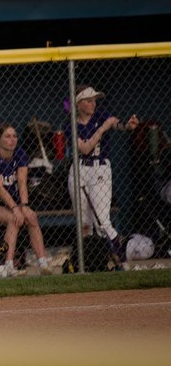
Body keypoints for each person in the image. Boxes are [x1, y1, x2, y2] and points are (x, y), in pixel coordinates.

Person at [66, 85, 139, 261]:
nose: (93, 104)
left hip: (100, 168)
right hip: (78, 169)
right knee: (84, 223)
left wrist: (127, 126)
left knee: (102, 220)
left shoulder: (102, 116)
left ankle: (119, 257)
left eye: (94, 100)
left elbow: (117, 123)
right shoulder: (71, 124)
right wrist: (102, 129)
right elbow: (84, 149)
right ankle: (90, 261)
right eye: (89, 100)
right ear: (79, 104)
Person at [0, 123, 53, 276]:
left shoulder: (20, 154)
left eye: (14, 136)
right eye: (7, 136)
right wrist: (15, 208)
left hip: (15, 204)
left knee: (31, 217)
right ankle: (9, 266)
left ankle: (43, 264)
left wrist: (25, 206)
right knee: (13, 218)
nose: (12, 140)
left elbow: (22, 182)